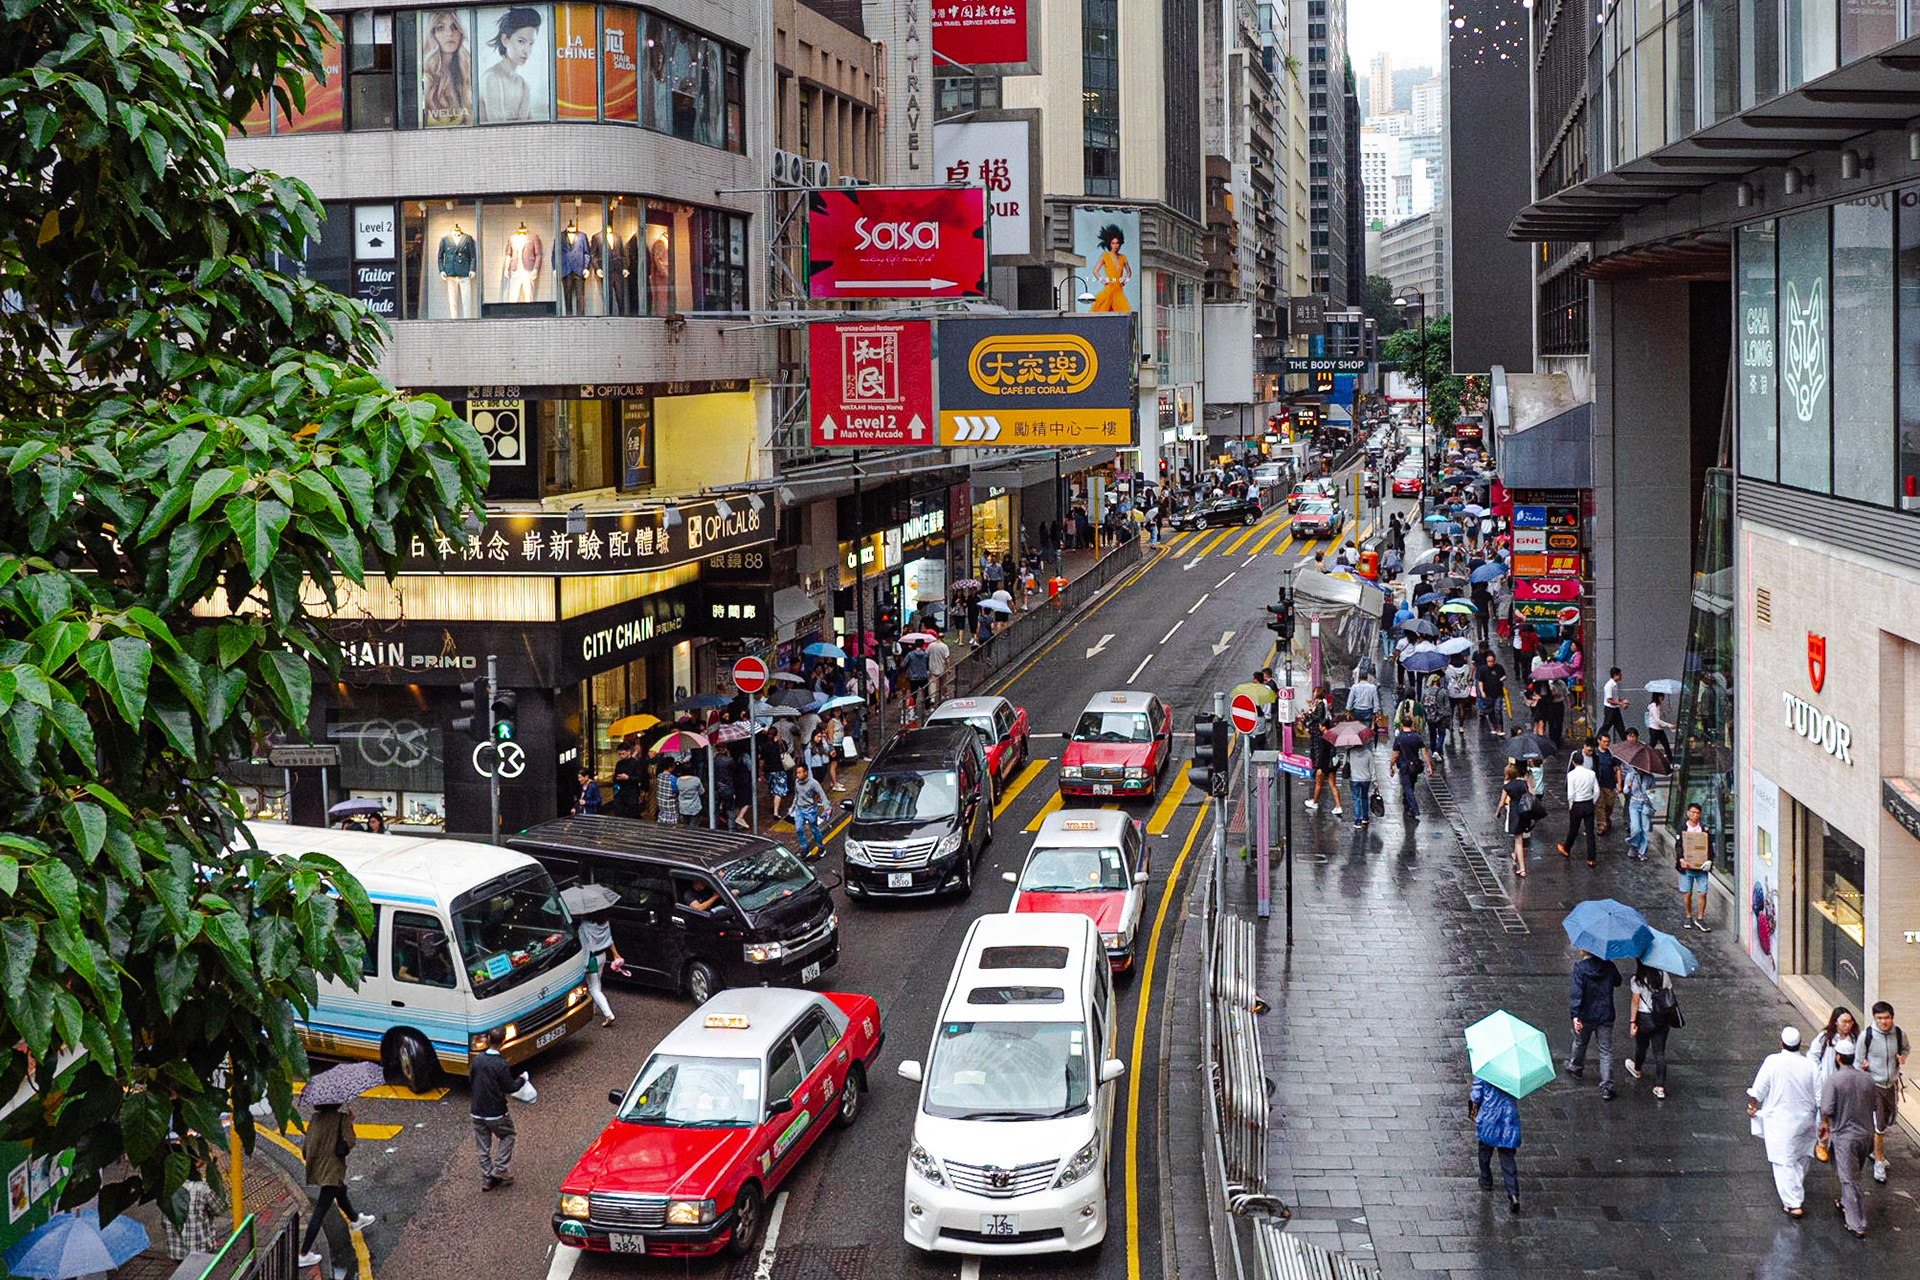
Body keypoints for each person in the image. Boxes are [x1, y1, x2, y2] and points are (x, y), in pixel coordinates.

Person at [1747, 1026, 1820, 1218]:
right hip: (1806, 1118)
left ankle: (1793, 1202)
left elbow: (1759, 1089)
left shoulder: (1773, 1062)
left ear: (1781, 1043)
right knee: (1802, 1155)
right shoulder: (1810, 1065)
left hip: (1781, 1121)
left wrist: (1753, 1106)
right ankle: (1794, 1190)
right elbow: (1820, 1095)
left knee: (1784, 1161)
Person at [297, 1103, 378, 1265]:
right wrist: (349, 1122)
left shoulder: (315, 1118)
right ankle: (303, 1254)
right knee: (320, 1210)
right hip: (332, 1170)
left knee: (341, 1191)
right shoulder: (341, 1119)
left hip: (319, 1168)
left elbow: (306, 1148)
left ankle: (355, 1220)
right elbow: (349, 1142)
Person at [1820, 1036, 1879, 1237]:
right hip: (1866, 1135)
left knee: (1849, 1180)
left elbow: (1827, 1108)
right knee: (1853, 1172)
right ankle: (1845, 1202)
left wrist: (1824, 1125)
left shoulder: (1834, 1080)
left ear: (1838, 1058)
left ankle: (1856, 1222)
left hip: (1845, 1137)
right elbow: (1874, 1106)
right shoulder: (1867, 1079)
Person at [468, 1027, 529, 1191]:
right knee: (508, 1135)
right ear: (504, 1040)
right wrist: (522, 1079)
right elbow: (510, 1087)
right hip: (496, 1111)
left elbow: (472, 1079)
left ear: (487, 1040)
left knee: (482, 1146)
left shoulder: (478, 1060)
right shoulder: (500, 1064)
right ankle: (499, 1169)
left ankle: (487, 1178)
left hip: (477, 1109)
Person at [1861, 1001, 1909, 1184]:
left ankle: (1875, 1150)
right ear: (1874, 1018)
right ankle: (1879, 1162)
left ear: (1892, 1017)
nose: (1884, 1022)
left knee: (1888, 1120)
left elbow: (1906, 1048)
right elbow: (1858, 1061)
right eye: (1880, 1018)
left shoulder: (1898, 1034)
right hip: (1874, 1087)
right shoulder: (1868, 1036)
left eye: (1887, 1018)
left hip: (1892, 1085)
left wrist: (1902, 1057)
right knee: (1879, 1126)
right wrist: (1863, 1067)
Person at [1568, 949, 1622, 1101]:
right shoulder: (1609, 966)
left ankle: (1576, 1067)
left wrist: (1575, 1015)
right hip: (1605, 1015)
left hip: (1586, 1015)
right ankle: (1607, 1087)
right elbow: (1618, 981)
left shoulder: (1580, 968)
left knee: (1580, 1042)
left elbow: (1576, 993)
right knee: (1605, 1051)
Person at [1470, 1075, 1523, 1213]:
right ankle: (1513, 1194)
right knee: (1508, 1161)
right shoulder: (1513, 1074)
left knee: (1484, 1154)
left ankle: (1486, 1181)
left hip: (1489, 1120)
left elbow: (1476, 1096)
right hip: (1508, 1121)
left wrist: (1472, 1114)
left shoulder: (1484, 1071)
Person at [1624, 962, 1677, 1098]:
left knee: (1641, 1046)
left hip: (1644, 1017)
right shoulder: (1664, 975)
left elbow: (1635, 1001)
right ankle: (1660, 1087)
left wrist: (1632, 1022)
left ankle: (1637, 1069)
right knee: (1659, 1052)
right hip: (1662, 1017)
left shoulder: (1638, 979)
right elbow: (1669, 992)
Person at [576, 909, 625, 1027]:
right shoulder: (605, 924)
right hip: (602, 956)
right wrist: (615, 954)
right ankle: (593, 1008)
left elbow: (584, 946)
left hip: (591, 959)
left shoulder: (584, 927)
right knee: (597, 983)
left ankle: (608, 1014)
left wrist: (583, 963)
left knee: (593, 988)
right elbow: (610, 941)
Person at [1558, 749, 1600, 866]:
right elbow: (1596, 790)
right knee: (1590, 832)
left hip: (1577, 804)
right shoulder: (1591, 773)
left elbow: (1570, 793)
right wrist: (1593, 801)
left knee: (1574, 829)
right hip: (1588, 803)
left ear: (1573, 762)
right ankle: (1591, 858)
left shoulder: (1571, 775)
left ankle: (1567, 848)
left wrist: (1570, 804)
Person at [1305, 690, 1342, 816]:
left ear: (1323, 727)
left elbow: (1322, 753)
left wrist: (1319, 767)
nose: (1319, 727)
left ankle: (1314, 802)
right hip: (1332, 765)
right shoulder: (1331, 736)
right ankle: (1338, 805)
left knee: (1318, 783)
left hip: (1324, 764)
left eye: (1320, 726)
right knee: (1332, 785)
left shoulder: (1323, 739)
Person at [1677, 801, 1711, 931]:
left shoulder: (1704, 829)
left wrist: (1709, 861)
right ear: (1688, 813)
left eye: (1697, 813)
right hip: (1686, 868)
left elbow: (1710, 847)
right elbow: (1678, 846)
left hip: (1701, 868)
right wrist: (1681, 859)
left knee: (1703, 893)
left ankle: (1700, 918)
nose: (1695, 815)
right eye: (1693, 812)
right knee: (1687, 893)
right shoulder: (1682, 828)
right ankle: (1688, 915)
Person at [1495, 762, 1533, 877]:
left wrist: (1497, 812)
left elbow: (1502, 802)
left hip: (1515, 813)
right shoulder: (1523, 783)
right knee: (1519, 837)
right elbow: (1531, 794)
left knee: (1518, 841)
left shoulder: (1507, 787)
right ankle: (1515, 855)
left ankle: (1522, 868)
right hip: (1524, 812)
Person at [1389, 718, 1430, 819]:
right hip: (1415, 765)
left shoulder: (1399, 738)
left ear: (1402, 724)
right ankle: (1406, 803)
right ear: (1412, 725)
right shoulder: (1417, 737)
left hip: (1404, 765)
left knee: (1407, 787)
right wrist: (1429, 766)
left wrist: (1391, 766)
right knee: (1411, 785)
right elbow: (1424, 753)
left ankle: (1414, 809)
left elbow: (1395, 755)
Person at [790, 765, 830, 859]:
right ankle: (804, 849)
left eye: (799, 773)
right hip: (799, 809)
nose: (797, 775)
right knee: (798, 829)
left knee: (814, 829)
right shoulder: (796, 782)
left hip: (810, 810)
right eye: (797, 773)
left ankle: (821, 847)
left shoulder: (813, 783)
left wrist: (826, 807)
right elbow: (796, 795)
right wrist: (792, 806)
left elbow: (822, 795)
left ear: (805, 772)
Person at [1344, 735, 1376, 830]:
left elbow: (1345, 764)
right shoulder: (1368, 753)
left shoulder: (1350, 752)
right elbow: (1372, 768)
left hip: (1354, 779)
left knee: (1356, 799)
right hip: (1366, 779)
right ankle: (1365, 817)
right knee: (1364, 797)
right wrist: (1375, 781)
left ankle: (1357, 820)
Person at [1443, 656, 1476, 747]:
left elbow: (1446, 679)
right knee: (1461, 708)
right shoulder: (1466, 668)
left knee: (1452, 709)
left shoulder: (1449, 669)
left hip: (1452, 692)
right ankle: (1461, 726)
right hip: (1463, 692)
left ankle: (1451, 724)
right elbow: (1468, 676)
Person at [1592, 734, 1620, 836]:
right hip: (1598, 783)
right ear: (1599, 741)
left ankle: (1606, 817)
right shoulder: (1595, 754)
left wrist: (1619, 784)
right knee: (1599, 805)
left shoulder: (1611, 754)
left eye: (1608, 742)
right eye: (1604, 741)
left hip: (1610, 783)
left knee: (1610, 804)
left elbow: (1617, 769)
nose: (1606, 744)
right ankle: (1601, 824)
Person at [1476, 649, 1507, 735]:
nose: (1490, 663)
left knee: (1498, 709)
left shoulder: (1499, 668)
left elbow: (1504, 676)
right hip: (1488, 693)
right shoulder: (1482, 670)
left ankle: (1500, 727)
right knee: (1490, 711)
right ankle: (1494, 726)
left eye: (1492, 661)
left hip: (1498, 692)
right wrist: (1482, 691)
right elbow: (1480, 681)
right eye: (1489, 661)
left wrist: (1500, 680)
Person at [1600, 667, 1630, 740]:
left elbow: (1615, 698)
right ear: (1615, 675)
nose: (1621, 677)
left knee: (1620, 727)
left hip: (1615, 709)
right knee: (1606, 726)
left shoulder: (1614, 685)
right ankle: (1596, 741)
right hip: (1610, 710)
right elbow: (1609, 700)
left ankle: (1625, 741)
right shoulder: (1609, 685)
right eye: (1619, 675)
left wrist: (1621, 702)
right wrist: (1621, 704)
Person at [1645, 691, 1676, 756]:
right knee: (1652, 746)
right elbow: (1657, 720)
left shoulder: (1658, 705)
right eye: (1662, 696)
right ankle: (1646, 758)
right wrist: (1669, 725)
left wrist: (1665, 711)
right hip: (1654, 729)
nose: (1663, 697)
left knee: (1666, 745)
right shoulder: (1654, 706)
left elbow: (1659, 715)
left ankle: (1670, 761)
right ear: (1658, 696)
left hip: (1658, 729)